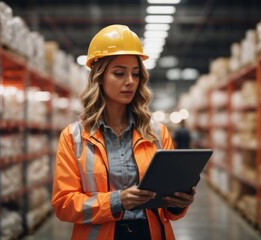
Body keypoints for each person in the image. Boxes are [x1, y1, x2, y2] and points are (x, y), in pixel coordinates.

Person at [52, 24, 196, 240]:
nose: (130, 81)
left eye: (135, 74)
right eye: (119, 73)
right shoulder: (73, 137)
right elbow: (64, 204)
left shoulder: (157, 133)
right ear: (99, 77)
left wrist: (178, 203)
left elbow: (168, 211)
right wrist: (117, 201)